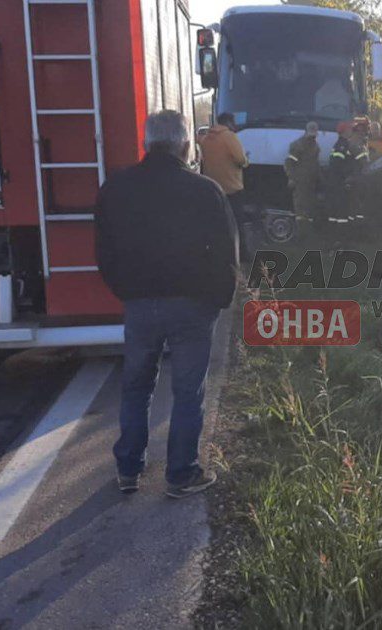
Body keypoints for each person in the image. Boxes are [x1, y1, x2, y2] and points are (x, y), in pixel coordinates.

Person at [95, 110, 238, 498]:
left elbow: (104, 251)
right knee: (188, 392)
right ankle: (181, 474)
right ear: (185, 145)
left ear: (146, 143)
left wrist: (124, 290)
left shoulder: (116, 189)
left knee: (136, 387)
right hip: (193, 306)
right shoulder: (206, 191)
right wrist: (219, 300)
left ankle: (128, 470)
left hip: (139, 304)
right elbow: (226, 252)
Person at [200, 112, 250, 217]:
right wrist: (246, 159)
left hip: (213, 188)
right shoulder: (229, 136)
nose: (235, 125)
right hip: (232, 188)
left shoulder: (206, 138)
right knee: (236, 222)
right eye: (233, 122)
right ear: (228, 122)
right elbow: (240, 160)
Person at [284, 121, 321, 221]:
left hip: (311, 182)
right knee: (300, 208)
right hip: (300, 181)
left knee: (309, 207)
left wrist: (319, 179)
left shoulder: (315, 146)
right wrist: (291, 178)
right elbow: (289, 163)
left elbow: (315, 164)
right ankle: (301, 228)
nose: (312, 138)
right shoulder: (297, 145)